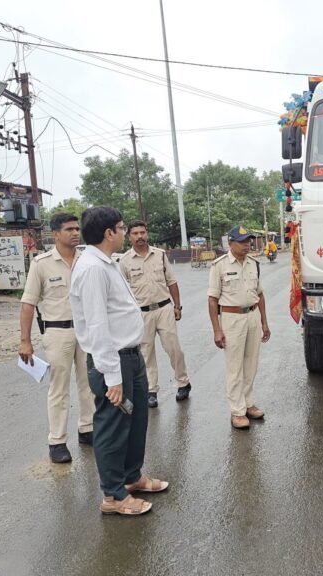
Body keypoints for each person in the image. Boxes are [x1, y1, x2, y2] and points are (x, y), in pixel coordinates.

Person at [70, 206, 168, 516]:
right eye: (122, 228)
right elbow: (97, 325)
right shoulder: (92, 269)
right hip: (113, 362)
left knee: (136, 421)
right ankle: (113, 495)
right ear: (108, 233)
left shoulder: (107, 262)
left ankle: (131, 477)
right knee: (113, 427)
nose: (126, 233)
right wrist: (112, 376)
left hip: (130, 355)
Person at [19, 213, 96, 464]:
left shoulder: (87, 260)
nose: (75, 233)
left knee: (89, 383)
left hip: (86, 331)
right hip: (57, 332)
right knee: (59, 388)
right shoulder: (41, 264)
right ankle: (57, 441)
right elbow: (28, 303)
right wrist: (25, 341)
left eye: (77, 229)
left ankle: (87, 429)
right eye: (69, 229)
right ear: (55, 234)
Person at [119, 220, 191, 408]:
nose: (139, 236)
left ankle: (183, 382)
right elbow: (122, 291)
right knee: (146, 353)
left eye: (142, 232)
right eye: (135, 233)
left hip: (164, 308)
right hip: (141, 313)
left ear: (147, 234)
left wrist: (177, 306)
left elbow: (171, 281)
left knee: (173, 348)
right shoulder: (125, 261)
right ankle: (151, 390)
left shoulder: (160, 255)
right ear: (129, 237)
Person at [208, 225, 271, 430]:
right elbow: (212, 300)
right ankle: (237, 411)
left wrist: (264, 322)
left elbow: (259, 295)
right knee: (234, 367)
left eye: (248, 241)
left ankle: (248, 403)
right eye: (242, 241)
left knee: (251, 364)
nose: (247, 245)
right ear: (230, 243)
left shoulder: (254, 264)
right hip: (232, 318)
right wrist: (217, 330)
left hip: (252, 316)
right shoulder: (219, 265)